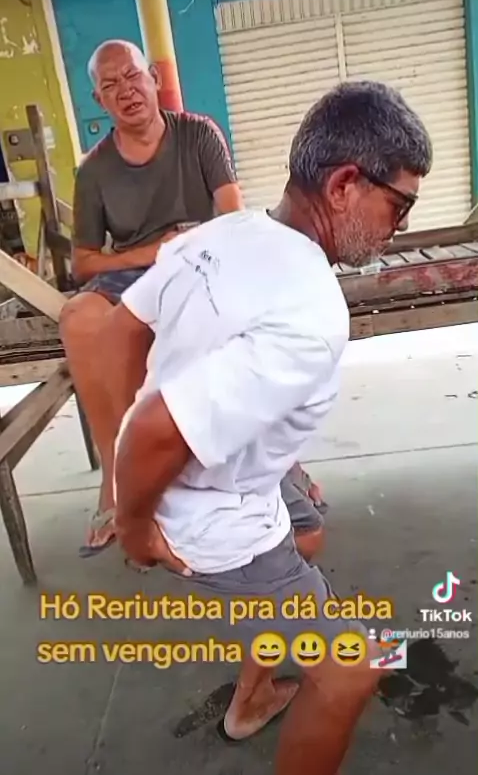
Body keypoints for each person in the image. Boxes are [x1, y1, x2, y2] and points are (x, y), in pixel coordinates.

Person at [109, 80, 432, 774]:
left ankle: (253, 694)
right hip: (215, 520)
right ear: (344, 185)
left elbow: (123, 327)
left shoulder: (221, 234)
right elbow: (159, 430)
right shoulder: (311, 313)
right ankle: (266, 676)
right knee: (349, 673)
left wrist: (275, 457)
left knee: (308, 530)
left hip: (225, 480)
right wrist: (133, 524)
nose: (399, 227)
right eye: (399, 205)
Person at [59, 39, 326, 558]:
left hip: (204, 261)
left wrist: (187, 248)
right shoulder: (93, 171)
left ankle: (279, 460)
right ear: (98, 99)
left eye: (132, 76)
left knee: (245, 317)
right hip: (135, 272)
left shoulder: (199, 135)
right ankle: (115, 478)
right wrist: (152, 251)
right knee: (78, 317)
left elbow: (231, 217)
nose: (126, 91)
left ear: (154, 78)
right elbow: (85, 262)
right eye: (110, 85)